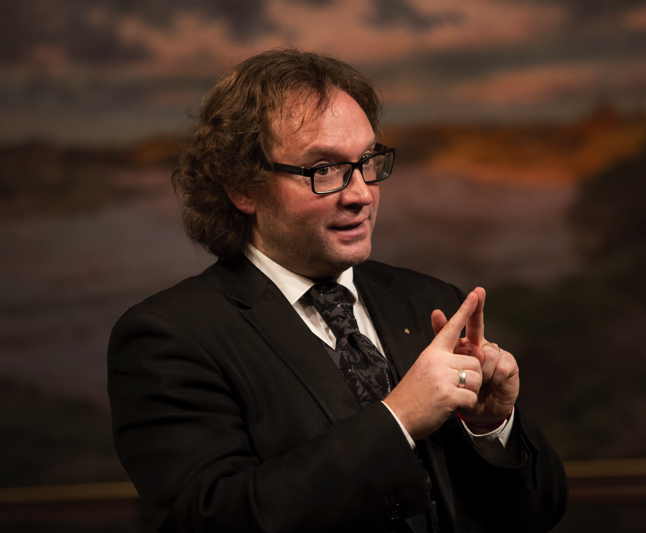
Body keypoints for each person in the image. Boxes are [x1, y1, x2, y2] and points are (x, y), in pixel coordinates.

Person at [108, 49, 566, 533]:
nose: (361, 194)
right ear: (243, 187)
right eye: (323, 169)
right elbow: (211, 520)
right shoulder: (168, 337)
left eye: (367, 161)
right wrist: (399, 418)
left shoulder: (432, 303)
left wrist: (492, 428)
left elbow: (537, 513)